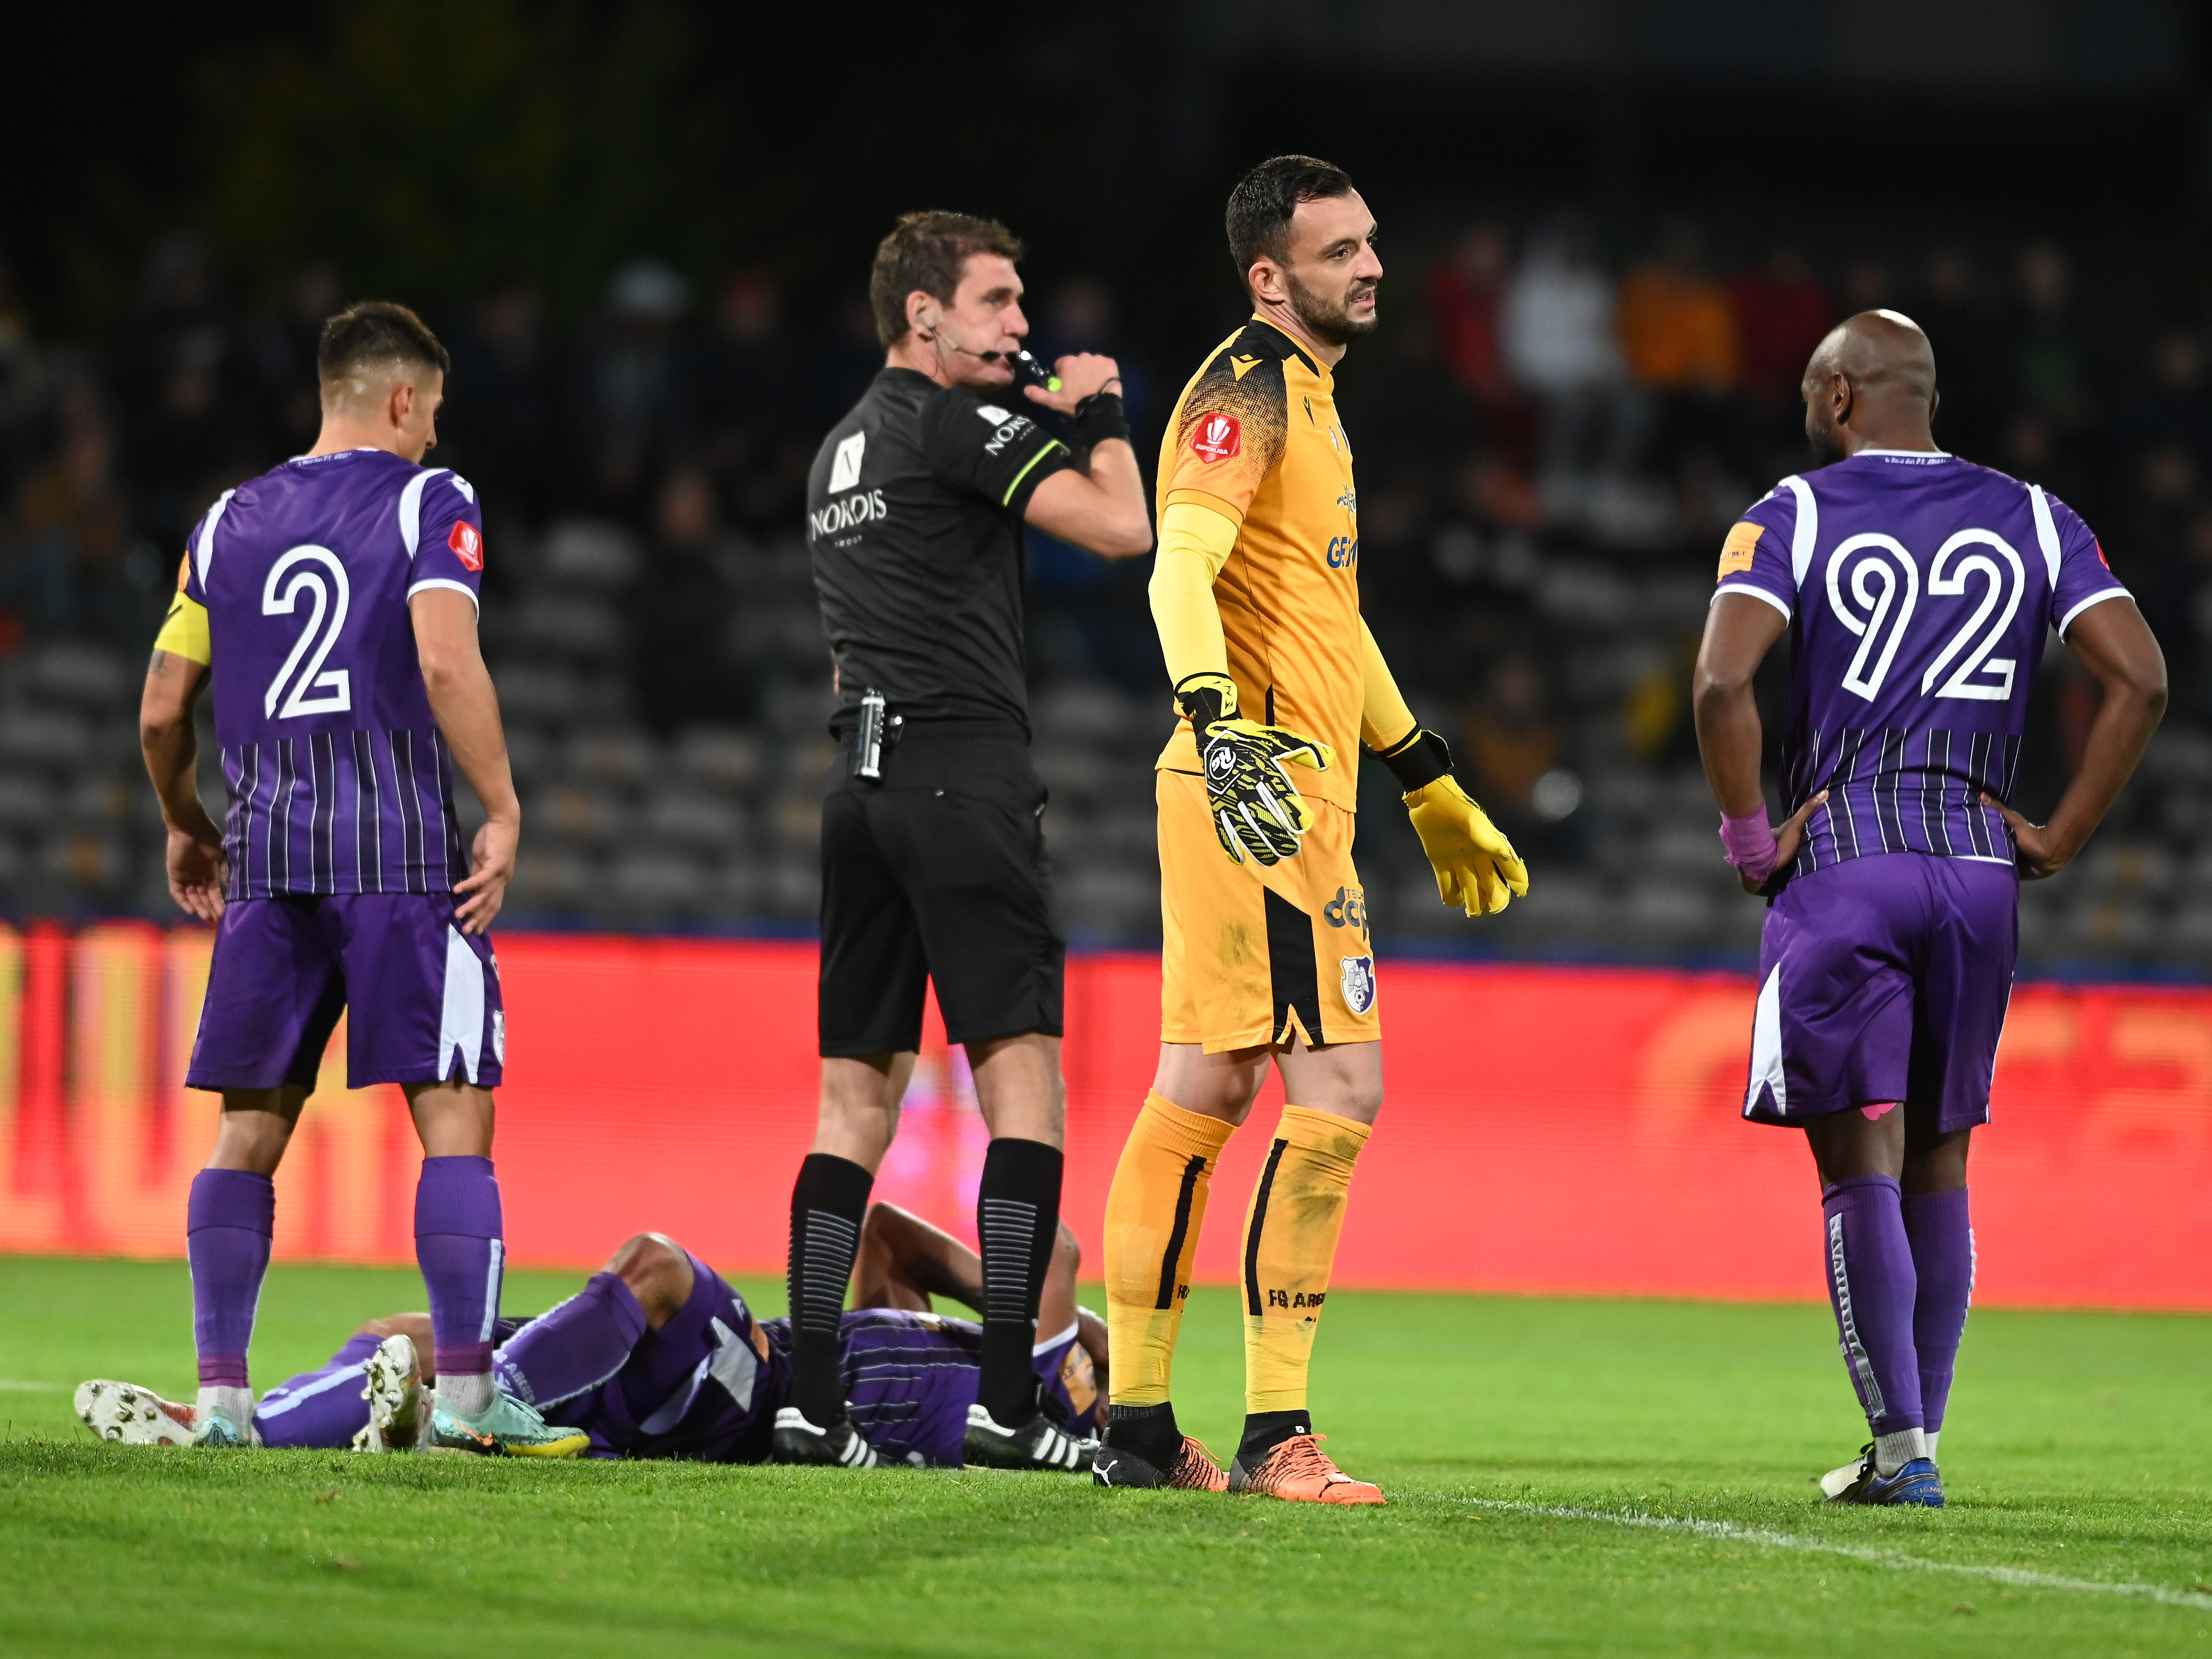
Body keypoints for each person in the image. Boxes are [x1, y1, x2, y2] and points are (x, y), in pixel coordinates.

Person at [1092, 156, 1528, 1504]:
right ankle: (1277, 1428)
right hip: (1260, 788)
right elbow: (1180, 564)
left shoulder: (1316, 405)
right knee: (1335, 1089)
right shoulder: (1244, 391)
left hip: (1297, 789)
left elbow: (1331, 623)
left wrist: (1423, 773)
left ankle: (1137, 1425)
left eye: (1372, 242)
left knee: (1208, 1087)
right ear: (1270, 275)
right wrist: (1223, 724)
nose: (1372, 265)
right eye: (1341, 250)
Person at [1691, 311, 2166, 1506]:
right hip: (1975, 862)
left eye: (1810, 388)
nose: (1804, 407)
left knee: (1857, 1156)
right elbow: (2142, 679)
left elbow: (1718, 678)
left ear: (1844, 395)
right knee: (1941, 1162)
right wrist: (2057, 834)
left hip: (1847, 854)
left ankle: (1895, 1447)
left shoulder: (1790, 512)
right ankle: (1922, 1444)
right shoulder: (2036, 516)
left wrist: (1750, 833)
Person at [136, 301, 573, 1456]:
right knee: (455, 1122)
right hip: (400, 857)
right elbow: (441, 652)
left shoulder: (225, 521)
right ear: (397, 399)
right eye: (429, 411)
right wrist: (504, 807)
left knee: (248, 1132)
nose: (434, 434)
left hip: (270, 861)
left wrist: (188, 822)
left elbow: (161, 708)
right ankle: (474, 1400)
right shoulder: (431, 498)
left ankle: (223, 1400)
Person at [787, 212, 1151, 1472]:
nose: (1019, 325)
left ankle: (810, 1398)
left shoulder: (837, 452)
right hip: (960, 772)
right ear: (923, 318)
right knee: (1026, 1088)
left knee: (851, 1105)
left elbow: (847, 649)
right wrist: (1096, 409)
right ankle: (1010, 1402)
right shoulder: (947, 421)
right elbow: (1121, 530)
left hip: (858, 778)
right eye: (997, 302)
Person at [76, 1203, 1105, 1468]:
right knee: (402, 1331)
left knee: (653, 1262)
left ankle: (475, 1415)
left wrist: (1056, 1343)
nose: (1090, 1363)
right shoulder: (965, 1351)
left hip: (748, 1399)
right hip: (713, 1377)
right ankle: (237, 1430)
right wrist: (1001, 1327)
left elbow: (1051, 1245)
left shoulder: (1028, 1413)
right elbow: (883, 1234)